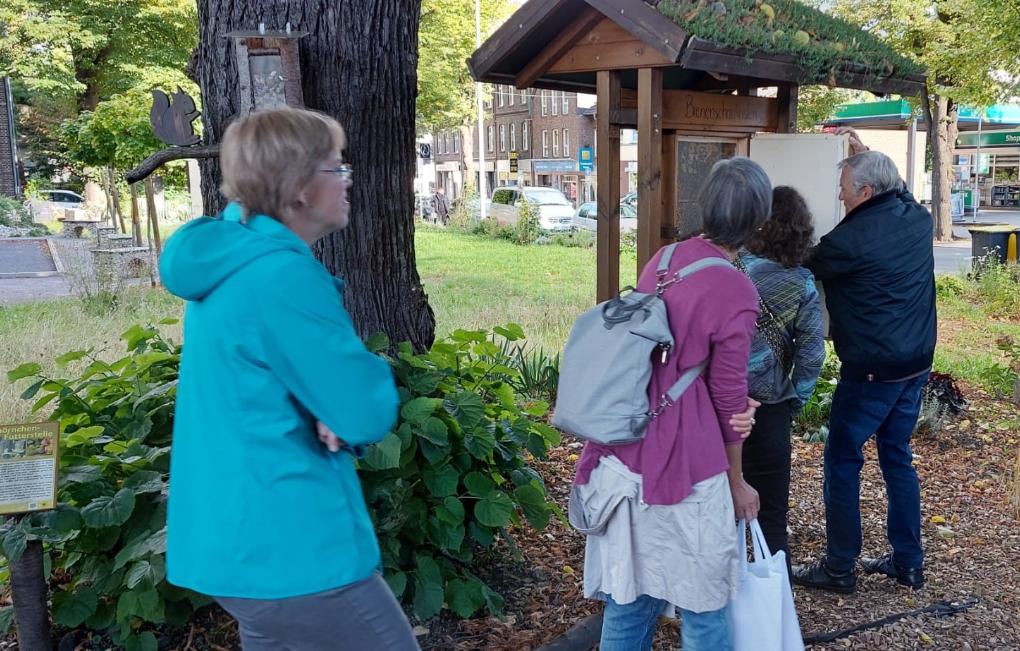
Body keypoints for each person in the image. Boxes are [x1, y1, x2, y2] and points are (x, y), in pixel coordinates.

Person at [159, 107, 420, 650]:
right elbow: (363, 408)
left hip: (238, 539)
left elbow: (273, 381)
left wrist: (326, 403)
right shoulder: (281, 274)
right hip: (292, 545)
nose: (346, 181)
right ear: (299, 188)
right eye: (335, 167)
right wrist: (338, 406)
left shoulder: (229, 258)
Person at [571, 157, 769, 651]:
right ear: (757, 223)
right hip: (686, 458)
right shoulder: (736, 289)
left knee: (631, 596)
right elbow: (727, 398)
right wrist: (737, 481)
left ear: (705, 207)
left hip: (627, 441)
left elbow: (659, 355)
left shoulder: (663, 259)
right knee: (704, 606)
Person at [792, 147, 937, 594]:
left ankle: (839, 568)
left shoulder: (848, 243)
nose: (840, 199)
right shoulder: (916, 217)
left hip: (872, 370)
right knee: (897, 459)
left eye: (844, 192)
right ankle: (909, 563)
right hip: (915, 363)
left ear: (867, 190)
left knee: (842, 459)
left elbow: (804, 261)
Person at [737, 186, 826, 576]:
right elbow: (811, 354)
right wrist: (796, 400)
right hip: (770, 409)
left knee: (717, 514)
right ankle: (775, 616)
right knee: (771, 517)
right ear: (800, 230)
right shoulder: (802, 283)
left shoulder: (732, 267)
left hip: (721, 407)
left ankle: (716, 614)